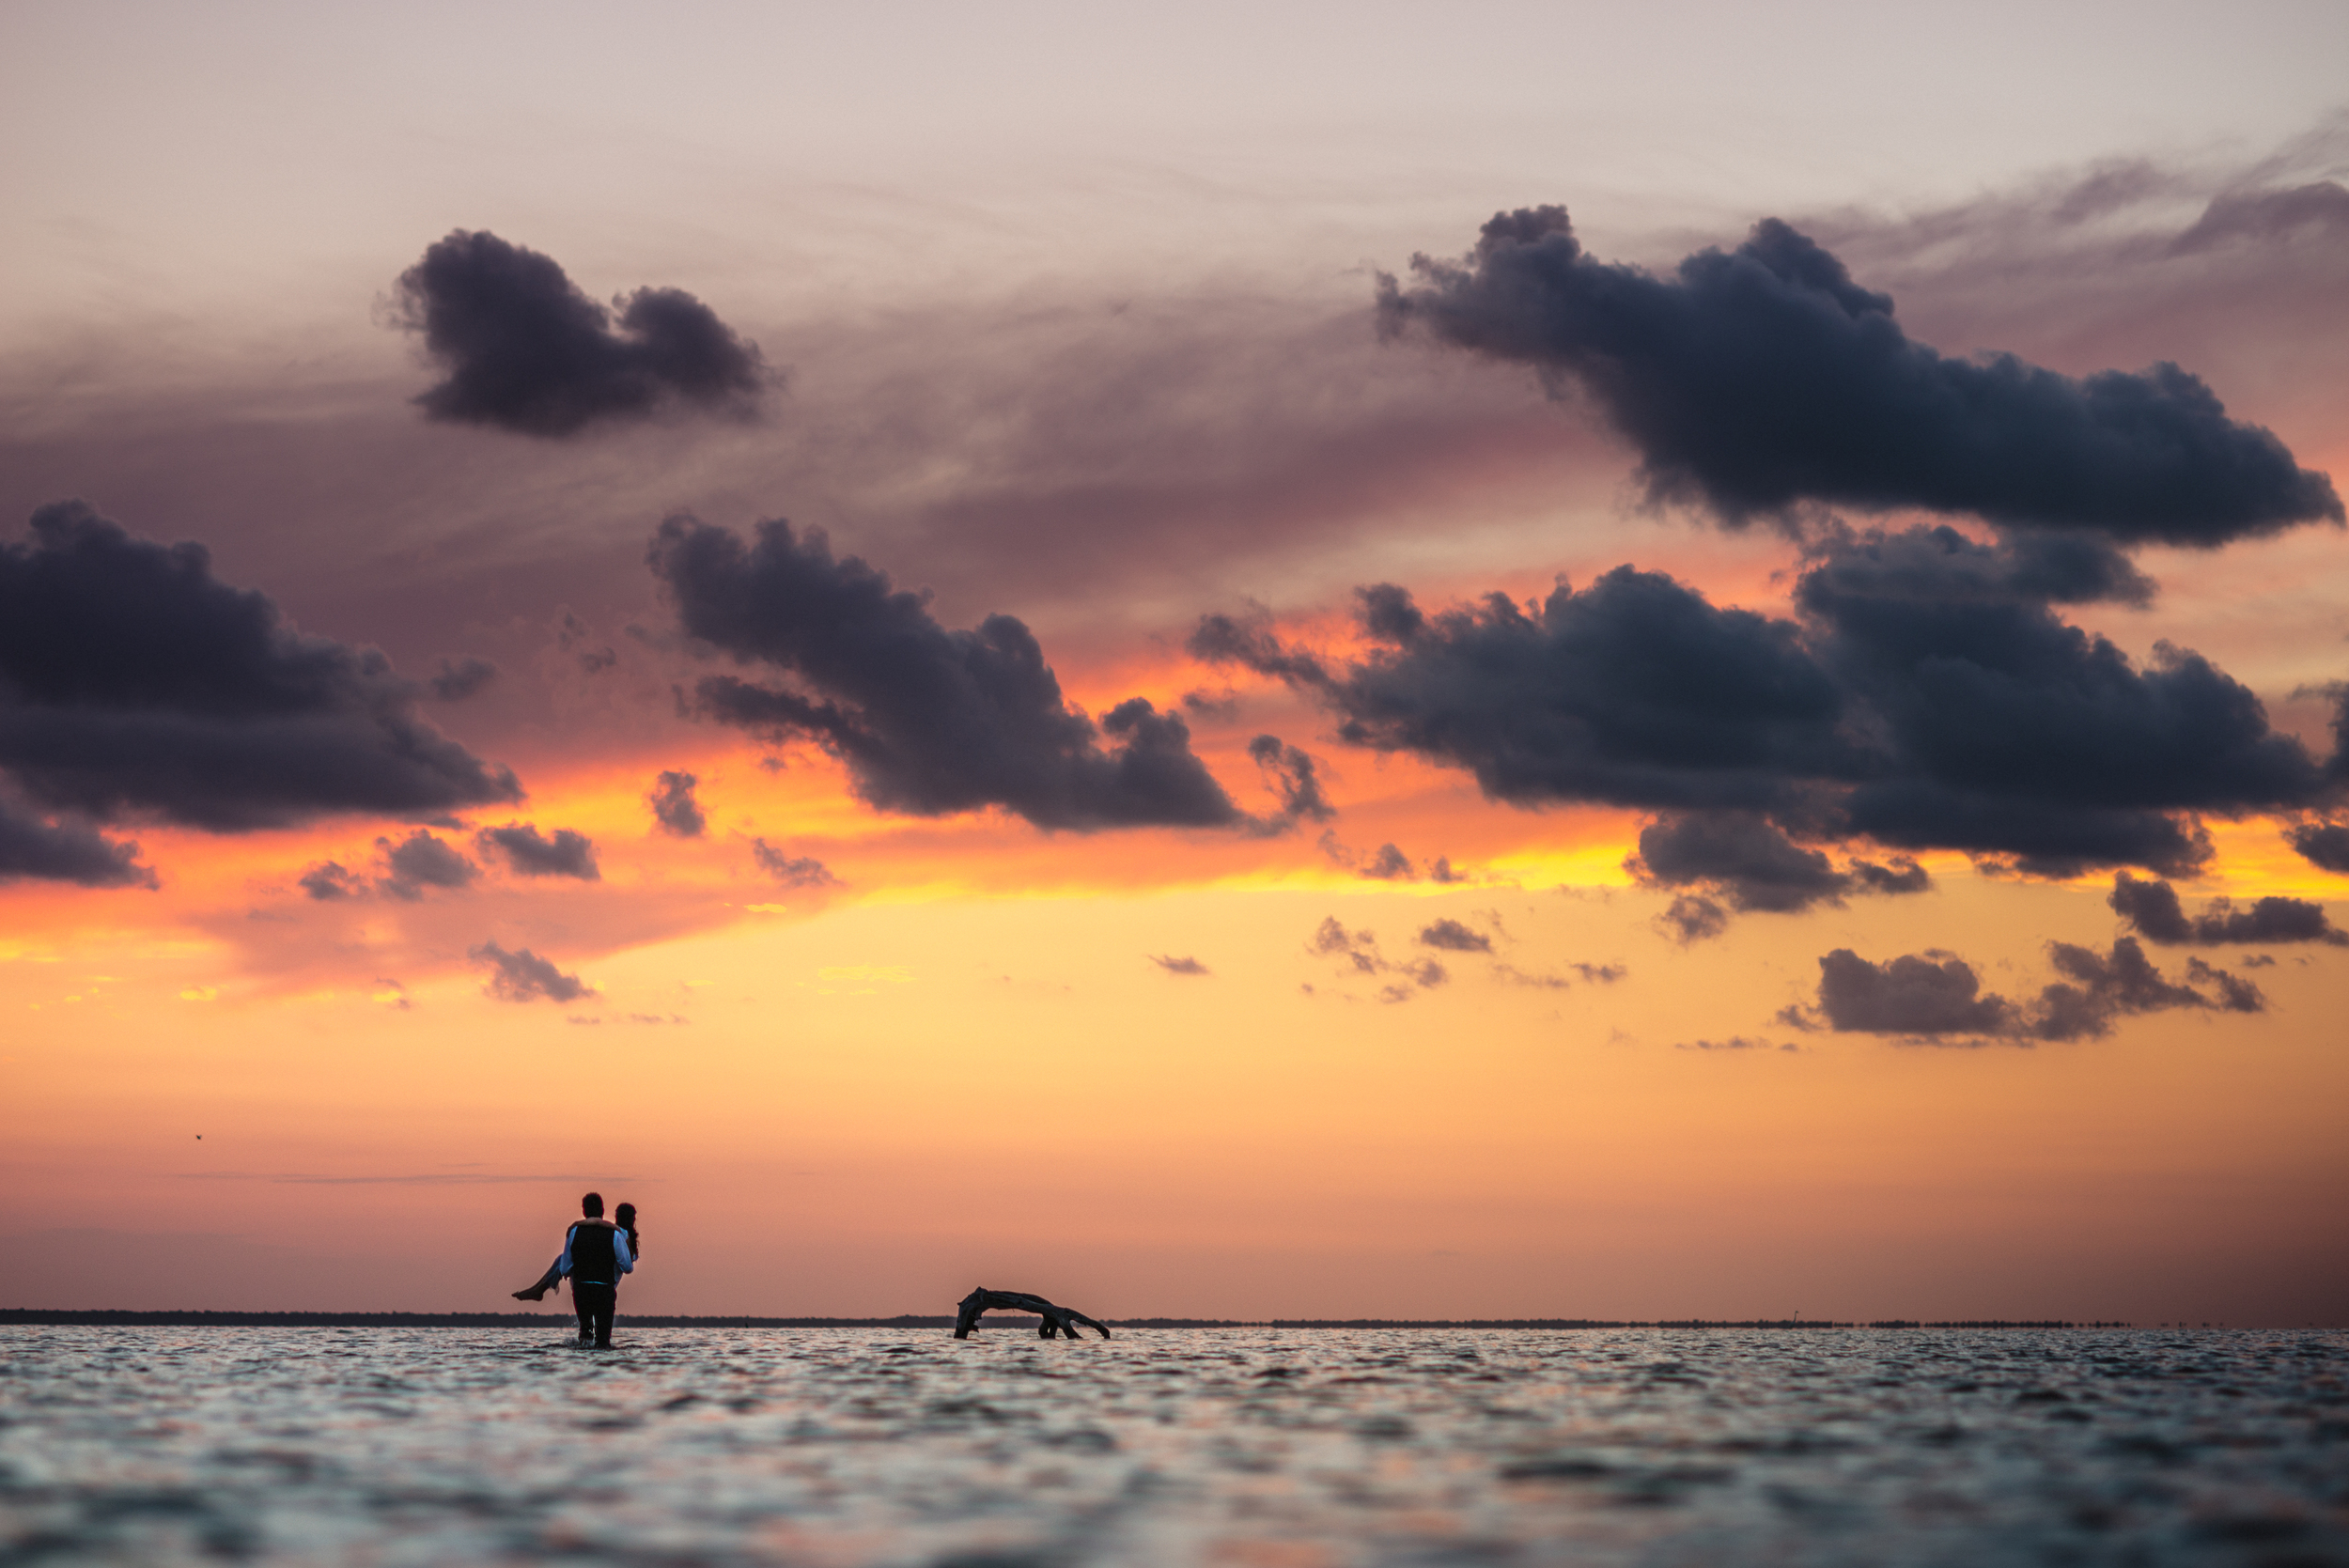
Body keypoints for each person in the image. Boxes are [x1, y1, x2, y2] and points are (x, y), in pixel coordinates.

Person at [513, 1192, 634, 1346]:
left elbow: (564, 1269)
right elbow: (627, 1267)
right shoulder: (616, 1235)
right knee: (603, 1341)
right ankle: (602, 1368)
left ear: (584, 1211)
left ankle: (581, 1367)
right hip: (605, 1291)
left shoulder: (575, 1232)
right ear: (603, 1211)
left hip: (582, 1291)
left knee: (585, 1335)